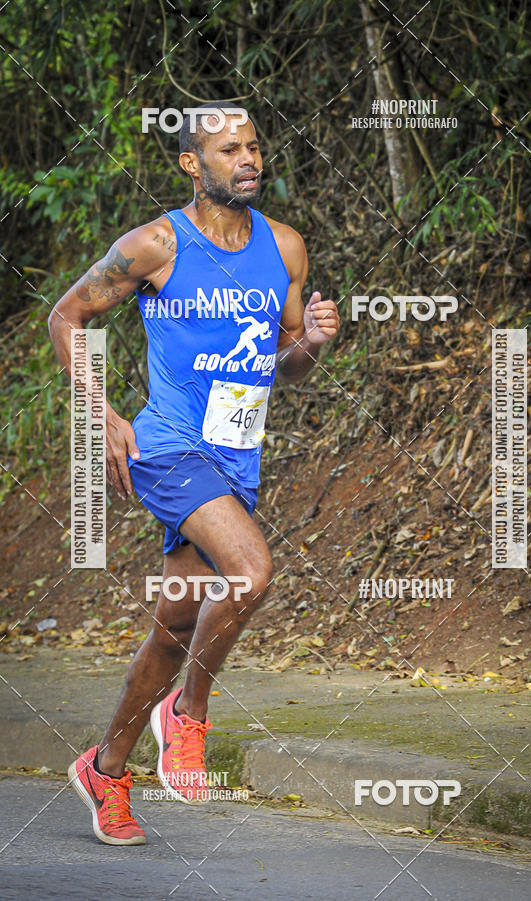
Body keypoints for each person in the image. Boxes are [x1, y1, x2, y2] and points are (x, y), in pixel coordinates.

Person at [48, 102, 340, 845]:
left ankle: (107, 767)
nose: (248, 158)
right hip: (169, 445)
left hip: (236, 455)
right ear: (191, 163)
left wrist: (312, 342)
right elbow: (66, 317)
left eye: (254, 145)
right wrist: (103, 416)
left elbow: (287, 366)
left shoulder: (284, 247)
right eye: (227, 148)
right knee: (250, 571)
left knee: (176, 626)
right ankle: (186, 716)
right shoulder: (155, 245)